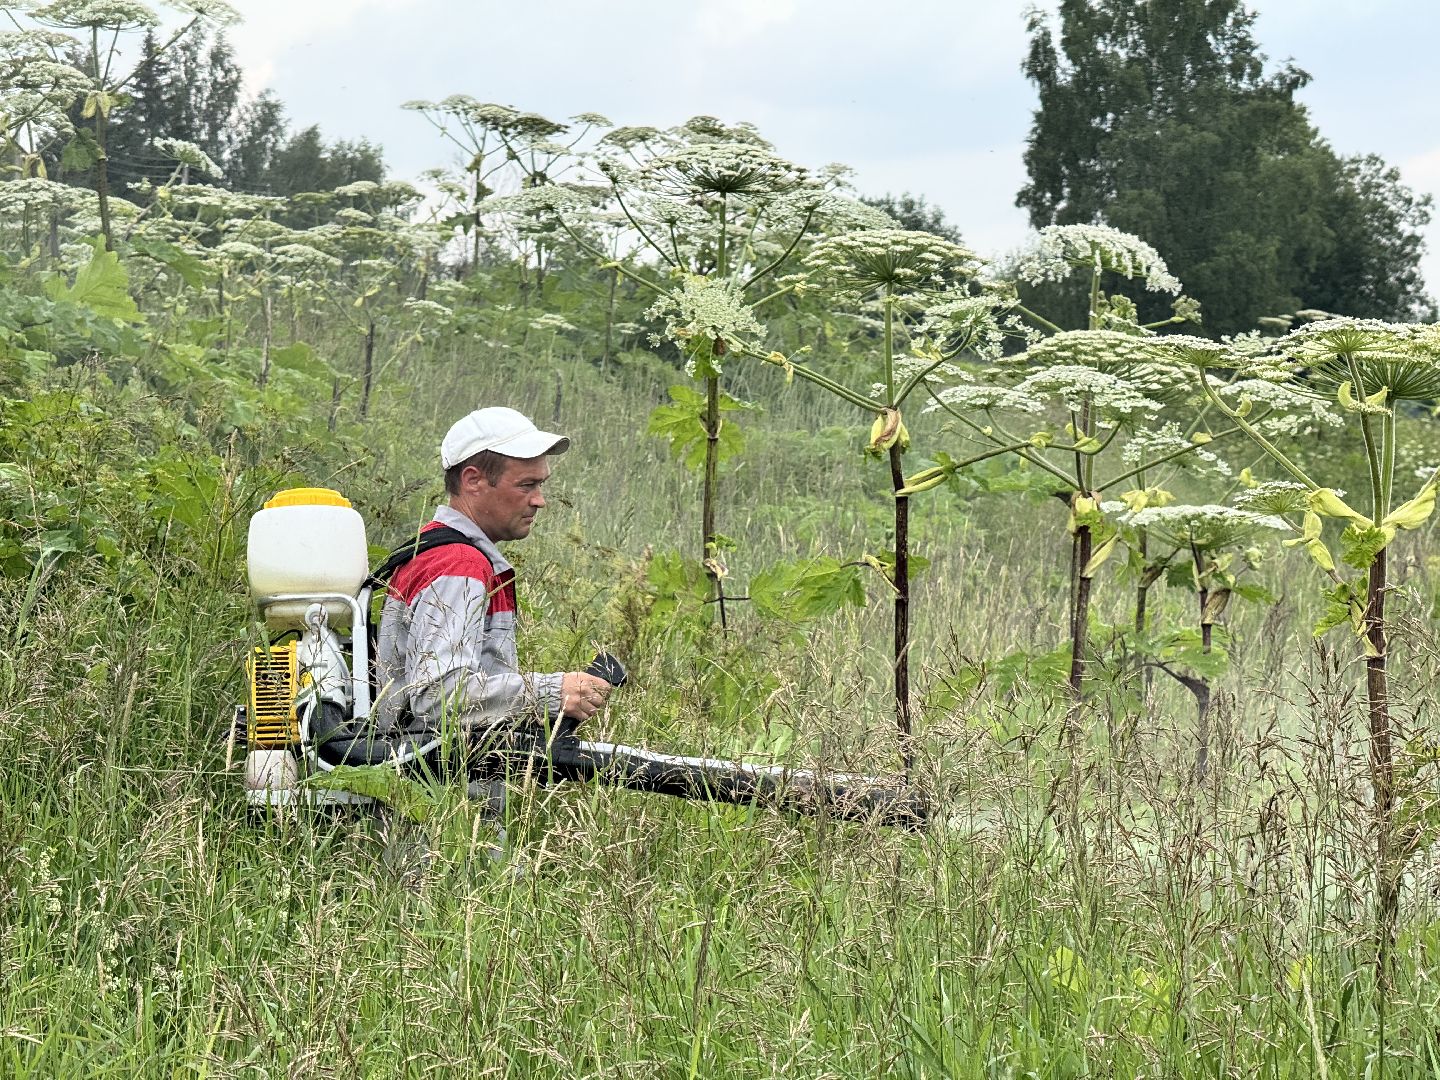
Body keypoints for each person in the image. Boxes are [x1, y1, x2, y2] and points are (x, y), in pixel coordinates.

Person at [370, 406, 613, 769]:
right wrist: (554, 692)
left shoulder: (430, 550)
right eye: (526, 485)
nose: (539, 500)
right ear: (473, 481)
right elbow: (438, 696)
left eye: (541, 485)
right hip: (436, 798)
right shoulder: (457, 564)